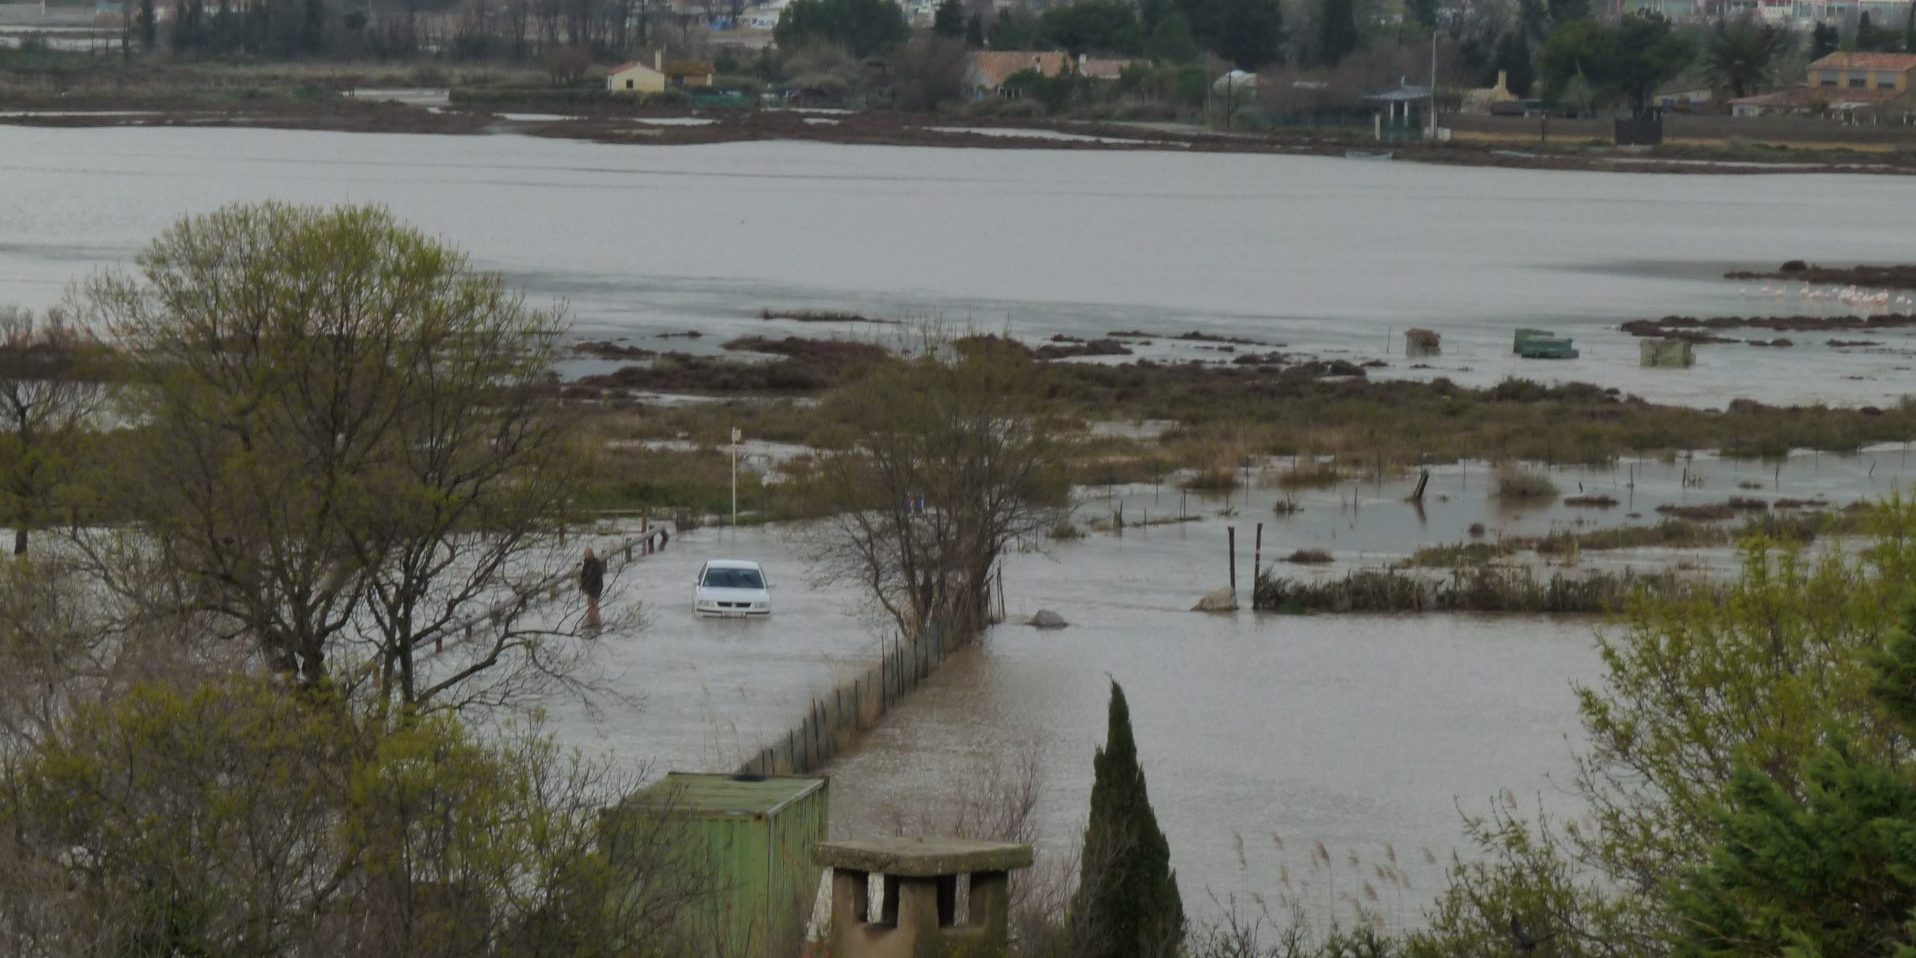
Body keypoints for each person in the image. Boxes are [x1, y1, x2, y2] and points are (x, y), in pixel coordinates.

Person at [580, 547, 606, 630]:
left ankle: (596, 623)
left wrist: (588, 585)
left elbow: (594, 577)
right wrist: (583, 584)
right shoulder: (586, 563)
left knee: (594, 605)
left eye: (586, 554)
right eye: (585, 554)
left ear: (590, 554)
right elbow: (584, 575)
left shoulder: (596, 564)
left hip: (596, 588)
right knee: (590, 605)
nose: (585, 555)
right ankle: (591, 621)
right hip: (589, 588)